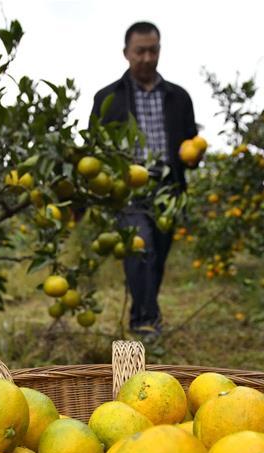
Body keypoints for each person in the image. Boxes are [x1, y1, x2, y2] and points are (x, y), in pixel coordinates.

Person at [90, 21, 202, 341]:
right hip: (127, 186)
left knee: (159, 254)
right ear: (126, 53)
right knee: (140, 249)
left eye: (153, 50)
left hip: (168, 188)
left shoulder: (179, 97)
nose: (147, 57)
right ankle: (145, 321)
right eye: (140, 51)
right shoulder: (107, 98)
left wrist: (193, 157)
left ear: (160, 51)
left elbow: (190, 143)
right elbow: (95, 148)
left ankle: (144, 311)